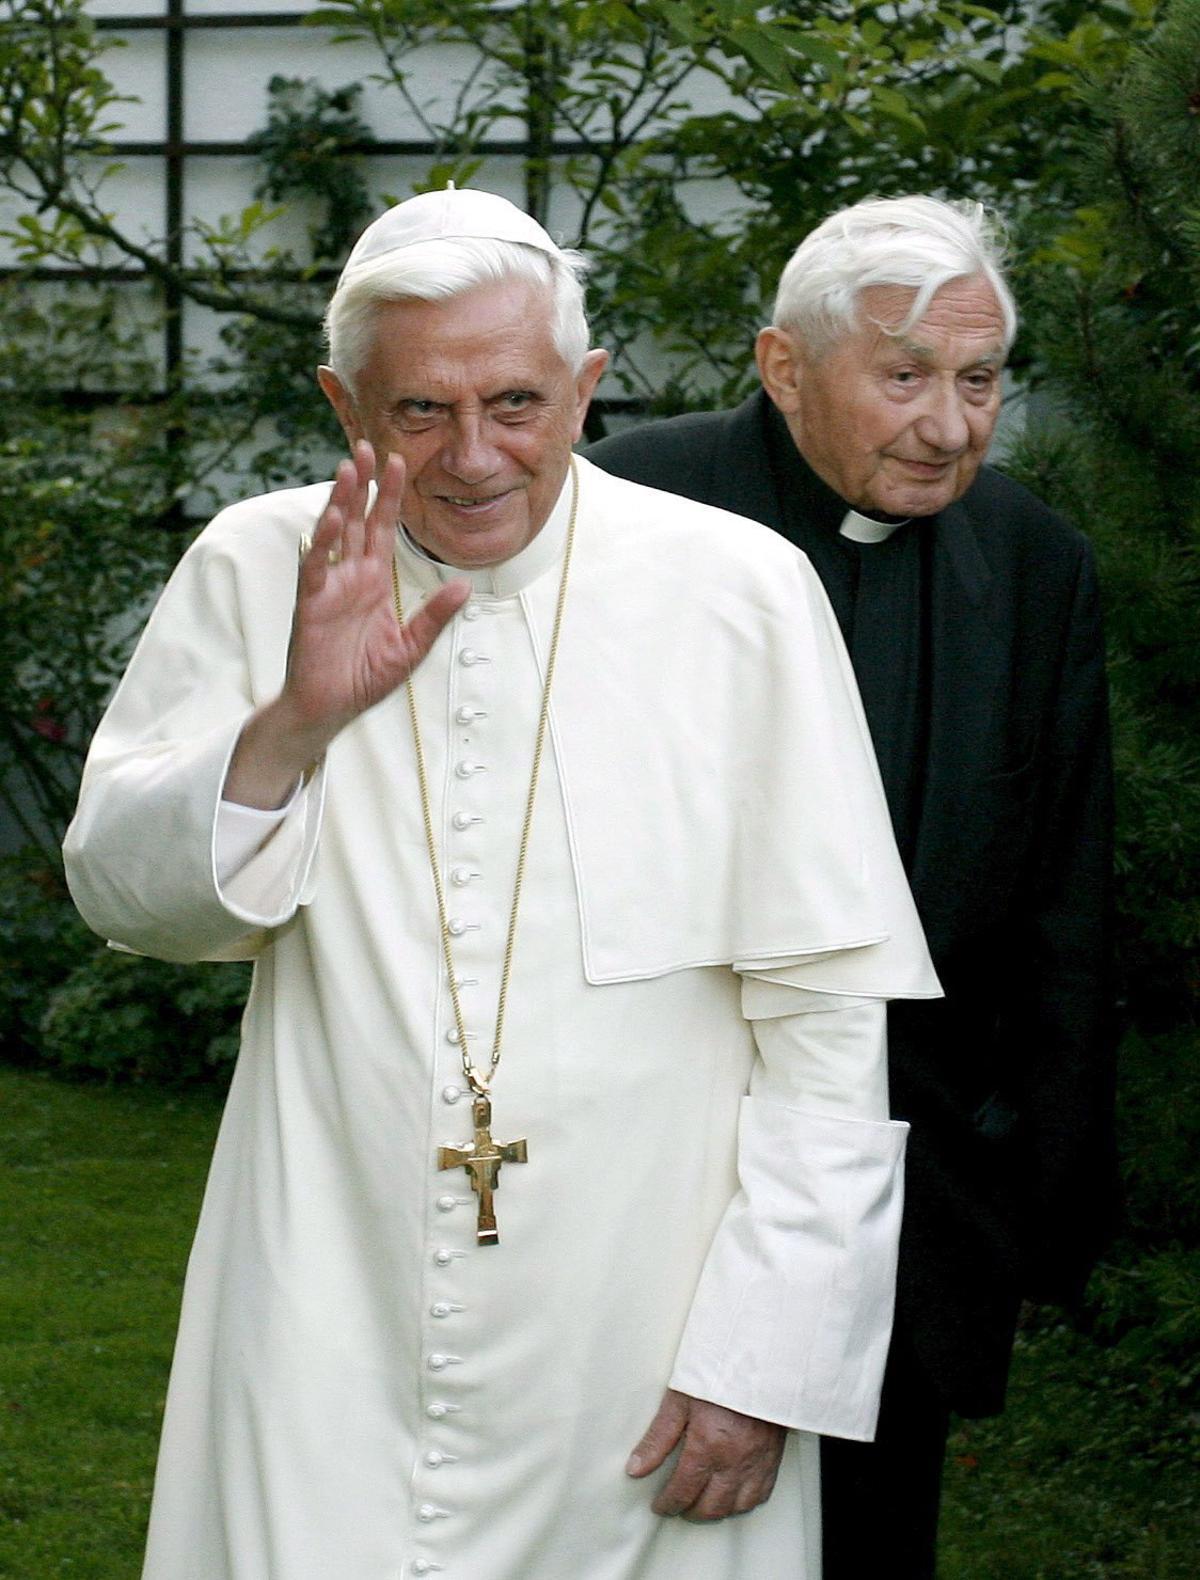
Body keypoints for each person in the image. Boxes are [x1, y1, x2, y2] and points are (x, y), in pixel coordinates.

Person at [63, 187, 941, 1580]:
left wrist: (769, 1357)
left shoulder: (741, 594)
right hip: (324, 1303)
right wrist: (289, 726)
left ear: (589, 388)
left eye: (519, 403)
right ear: (345, 401)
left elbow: (829, 1021)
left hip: (643, 1326)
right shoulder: (253, 565)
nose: (475, 458)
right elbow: (126, 899)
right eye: (420, 412)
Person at [588, 193, 1116, 1578]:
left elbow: (1061, 905)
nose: (952, 426)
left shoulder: (1040, 561)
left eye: (981, 379)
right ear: (782, 368)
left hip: (915, 1206)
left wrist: (1034, 1198)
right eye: (905, 376)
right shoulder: (625, 507)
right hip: (655, 1171)